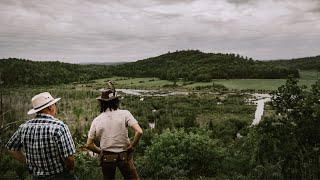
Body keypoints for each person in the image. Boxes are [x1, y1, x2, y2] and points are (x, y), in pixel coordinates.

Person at [5, 92, 77, 180]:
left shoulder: (23, 127)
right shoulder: (59, 127)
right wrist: (70, 170)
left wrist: (28, 162)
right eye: (54, 104)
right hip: (60, 176)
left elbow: (11, 149)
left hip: (36, 177)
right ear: (50, 107)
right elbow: (69, 158)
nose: (55, 106)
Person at [85, 81, 143, 180]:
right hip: (124, 156)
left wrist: (100, 152)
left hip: (107, 158)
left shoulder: (97, 120)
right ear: (116, 101)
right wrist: (131, 146)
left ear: (102, 102)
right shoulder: (125, 114)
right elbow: (139, 132)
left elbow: (88, 145)